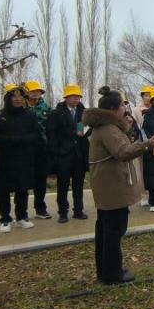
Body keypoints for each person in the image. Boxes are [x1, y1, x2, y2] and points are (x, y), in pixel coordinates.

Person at [84, 86, 154, 285]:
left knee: (105, 228)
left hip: (107, 185)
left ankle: (105, 270)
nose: (124, 109)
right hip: (112, 186)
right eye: (122, 105)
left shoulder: (103, 127)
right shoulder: (109, 129)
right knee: (114, 230)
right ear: (113, 108)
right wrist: (146, 145)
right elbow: (122, 151)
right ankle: (113, 275)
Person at [0, 84, 43, 232]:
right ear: (8, 98)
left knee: (22, 189)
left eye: (21, 97)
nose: (18, 99)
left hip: (24, 158)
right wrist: (10, 140)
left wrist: (21, 140)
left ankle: (21, 217)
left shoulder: (29, 115)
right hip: (5, 159)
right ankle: (5, 219)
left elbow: (37, 134)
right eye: (14, 96)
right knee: (3, 190)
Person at [48, 84, 90, 222]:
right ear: (66, 97)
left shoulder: (84, 113)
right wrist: (57, 152)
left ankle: (78, 210)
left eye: (78, 96)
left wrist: (83, 132)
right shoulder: (56, 113)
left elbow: (89, 131)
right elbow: (51, 134)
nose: (76, 99)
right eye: (73, 96)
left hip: (79, 155)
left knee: (78, 185)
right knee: (63, 186)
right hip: (63, 155)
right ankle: (62, 212)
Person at [24, 80, 53, 219]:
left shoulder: (46, 108)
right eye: (32, 91)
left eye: (38, 91)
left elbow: (51, 128)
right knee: (23, 181)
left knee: (41, 180)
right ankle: (21, 213)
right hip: (24, 149)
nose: (35, 94)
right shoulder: (21, 107)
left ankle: (40, 208)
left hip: (42, 148)